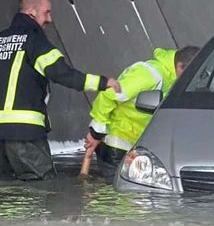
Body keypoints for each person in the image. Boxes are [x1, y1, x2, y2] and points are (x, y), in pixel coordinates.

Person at [0, 0, 120, 180]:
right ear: (32, 12)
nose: (50, 19)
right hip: (27, 136)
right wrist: (103, 83)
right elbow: (63, 74)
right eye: (47, 13)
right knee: (41, 193)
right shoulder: (35, 40)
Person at [84, 46, 201, 176]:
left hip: (136, 145)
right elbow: (108, 95)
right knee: (119, 193)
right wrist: (96, 133)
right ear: (180, 66)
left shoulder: (171, 78)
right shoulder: (150, 75)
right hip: (117, 145)